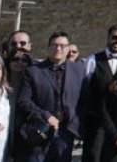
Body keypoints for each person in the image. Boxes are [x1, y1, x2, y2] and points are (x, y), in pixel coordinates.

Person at [17, 31, 88, 162]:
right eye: (54, 45)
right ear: (48, 48)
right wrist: (45, 115)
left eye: (62, 45)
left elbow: (85, 100)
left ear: (68, 49)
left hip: (65, 133)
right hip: (38, 130)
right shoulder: (33, 71)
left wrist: (77, 125)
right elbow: (23, 100)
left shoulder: (79, 70)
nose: (58, 49)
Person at [85, 25, 117, 162]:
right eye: (114, 37)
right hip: (97, 119)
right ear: (108, 38)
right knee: (94, 155)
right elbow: (86, 89)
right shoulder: (93, 60)